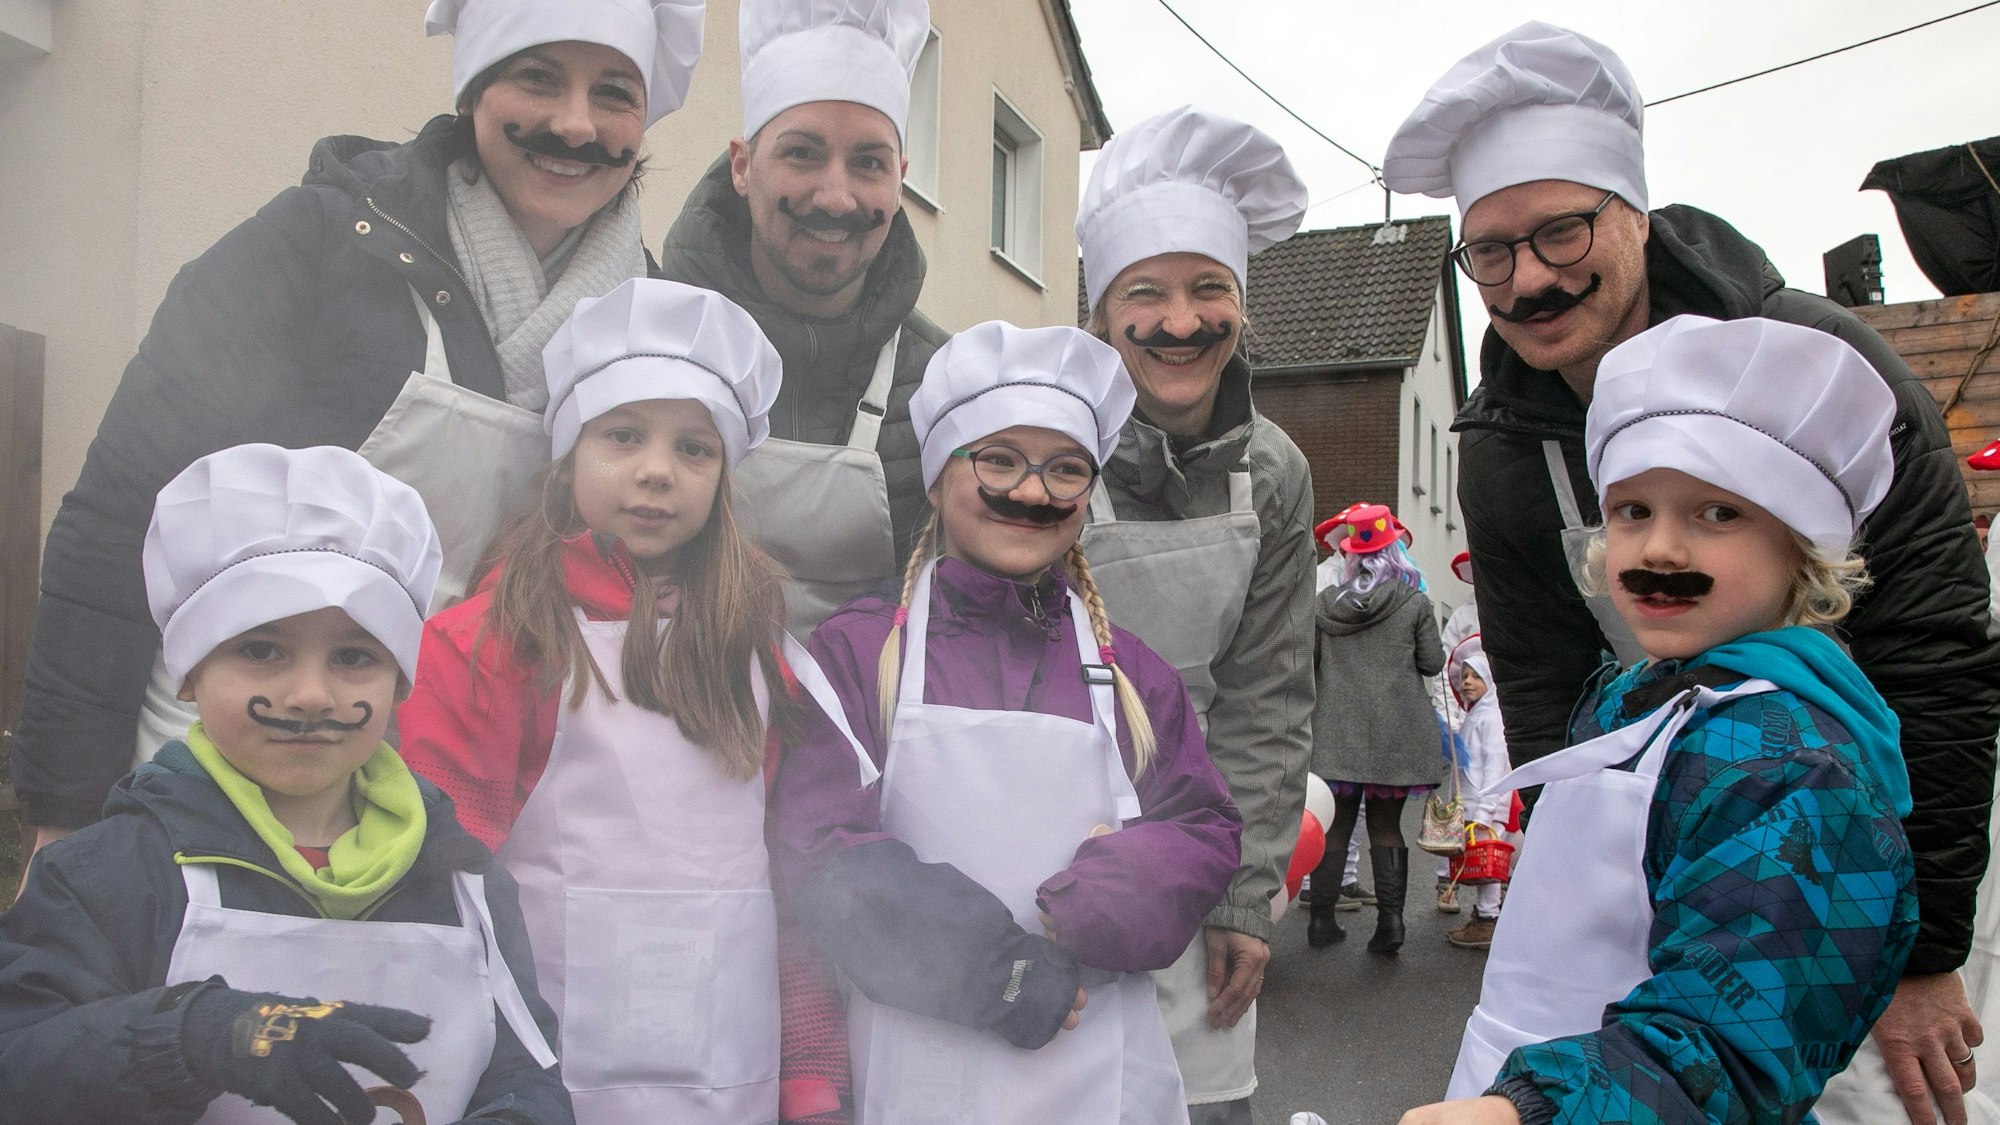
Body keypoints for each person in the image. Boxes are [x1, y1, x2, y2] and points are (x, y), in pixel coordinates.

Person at [1383, 23, 2000, 1122]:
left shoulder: (1823, 367)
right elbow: (1540, 693)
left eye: (1558, 233)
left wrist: (1924, 949)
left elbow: (1936, 652)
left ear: (1631, 212)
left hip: (1835, 876)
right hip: (1647, 889)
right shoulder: (1499, 440)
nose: (1525, 280)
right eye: (1488, 252)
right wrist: (1557, 907)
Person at [14, 0, 706, 868]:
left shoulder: (649, 322)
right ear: (474, 88)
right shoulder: (318, 248)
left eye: (615, 93)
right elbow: (117, 518)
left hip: (461, 803)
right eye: (539, 77)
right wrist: (63, 810)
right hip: (226, 780)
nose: (576, 122)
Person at [1400, 315, 1920, 1125]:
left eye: (1717, 514)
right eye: (1634, 511)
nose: (1661, 549)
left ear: (1803, 549)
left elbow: (1732, 1040)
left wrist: (1531, 1110)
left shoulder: (1792, 767)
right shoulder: (1642, 695)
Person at [0, 444, 568, 1125]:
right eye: (261, 650)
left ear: (400, 682)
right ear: (188, 672)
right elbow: (21, 1066)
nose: (308, 693)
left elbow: (523, 1075)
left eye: (354, 656)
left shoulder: (464, 882)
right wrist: (186, 1034)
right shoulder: (108, 876)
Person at [395, 279, 848, 1124]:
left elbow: (792, 893)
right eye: (624, 435)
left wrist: (810, 1076)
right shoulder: (495, 640)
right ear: (569, 454)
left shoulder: (757, 651)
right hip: (541, 1075)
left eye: (694, 448)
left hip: (732, 1071)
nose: (655, 470)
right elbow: (439, 885)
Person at [769, 321, 1243, 1124]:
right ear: (935, 477)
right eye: (998, 459)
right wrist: (994, 969)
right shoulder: (859, 651)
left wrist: (1110, 894)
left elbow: (1201, 826)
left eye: (1065, 469)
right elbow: (817, 847)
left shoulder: (1132, 671)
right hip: (924, 1059)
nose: (1031, 492)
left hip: (1103, 1066)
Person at [1073, 103, 1316, 1124]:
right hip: (1047, 844)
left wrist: (1243, 898)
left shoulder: (1275, 472)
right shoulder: (1046, 439)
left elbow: (1265, 702)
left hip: (1199, 847)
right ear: (1099, 312)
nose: (1181, 322)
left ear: (1241, 304)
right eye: (1145, 293)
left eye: (1208, 288)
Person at [657, 0, 948, 633]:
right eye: (802, 154)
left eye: (869, 163)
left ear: (900, 180)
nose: (836, 196)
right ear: (742, 165)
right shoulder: (642, 337)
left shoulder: (943, 387)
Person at [1303, 505, 1445, 954]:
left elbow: (1310, 667)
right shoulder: (1415, 604)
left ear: (1350, 556)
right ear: (1394, 554)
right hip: (1397, 737)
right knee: (1388, 829)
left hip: (1336, 735)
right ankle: (1391, 926)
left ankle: (1322, 922)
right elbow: (1433, 663)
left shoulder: (1324, 607)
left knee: (1335, 829)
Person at [1441, 636, 1507, 950]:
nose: (1467, 682)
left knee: (1488, 866)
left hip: (1485, 809)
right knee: (1480, 865)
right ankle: (1483, 917)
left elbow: (1496, 766)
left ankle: (1488, 920)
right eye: (1465, 676)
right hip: (1472, 806)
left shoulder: (1491, 718)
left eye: (1476, 676)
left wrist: (1484, 813)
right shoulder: (1476, 714)